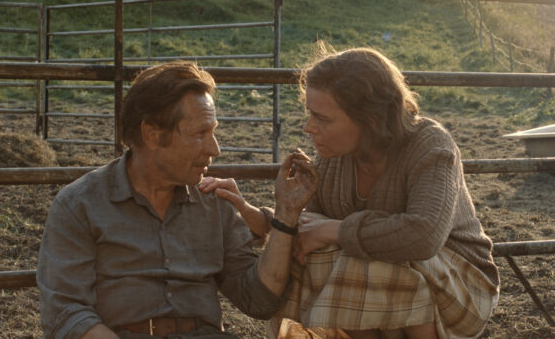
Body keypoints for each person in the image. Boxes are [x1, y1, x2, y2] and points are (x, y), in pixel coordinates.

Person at [200, 46, 499, 339]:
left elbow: (423, 236)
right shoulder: (336, 157)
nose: (308, 128)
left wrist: (336, 230)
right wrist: (254, 215)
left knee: (355, 259)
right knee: (321, 256)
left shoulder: (430, 145)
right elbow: (310, 229)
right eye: (310, 114)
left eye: (322, 119)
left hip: (462, 288)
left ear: (370, 120)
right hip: (400, 292)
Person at [37, 61, 320, 339]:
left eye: (213, 131)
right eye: (200, 134)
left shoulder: (214, 202)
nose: (215, 149)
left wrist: (286, 214)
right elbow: (66, 312)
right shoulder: (80, 205)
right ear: (152, 135)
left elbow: (259, 300)